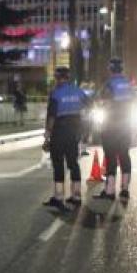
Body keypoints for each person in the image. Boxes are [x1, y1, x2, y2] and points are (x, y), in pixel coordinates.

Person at [43, 65, 90, 208]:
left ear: (57, 78)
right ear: (68, 77)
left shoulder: (56, 93)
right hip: (74, 131)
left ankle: (59, 197)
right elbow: (89, 105)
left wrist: (47, 135)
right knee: (73, 162)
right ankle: (76, 195)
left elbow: (51, 116)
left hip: (59, 130)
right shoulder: (78, 91)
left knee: (58, 163)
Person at [96, 58, 134, 201]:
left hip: (111, 125)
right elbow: (134, 101)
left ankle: (110, 190)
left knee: (110, 156)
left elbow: (103, 102)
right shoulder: (128, 84)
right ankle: (125, 189)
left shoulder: (109, 84)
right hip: (126, 125)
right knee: (124, 155)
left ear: (110, 69)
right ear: (122, 69)